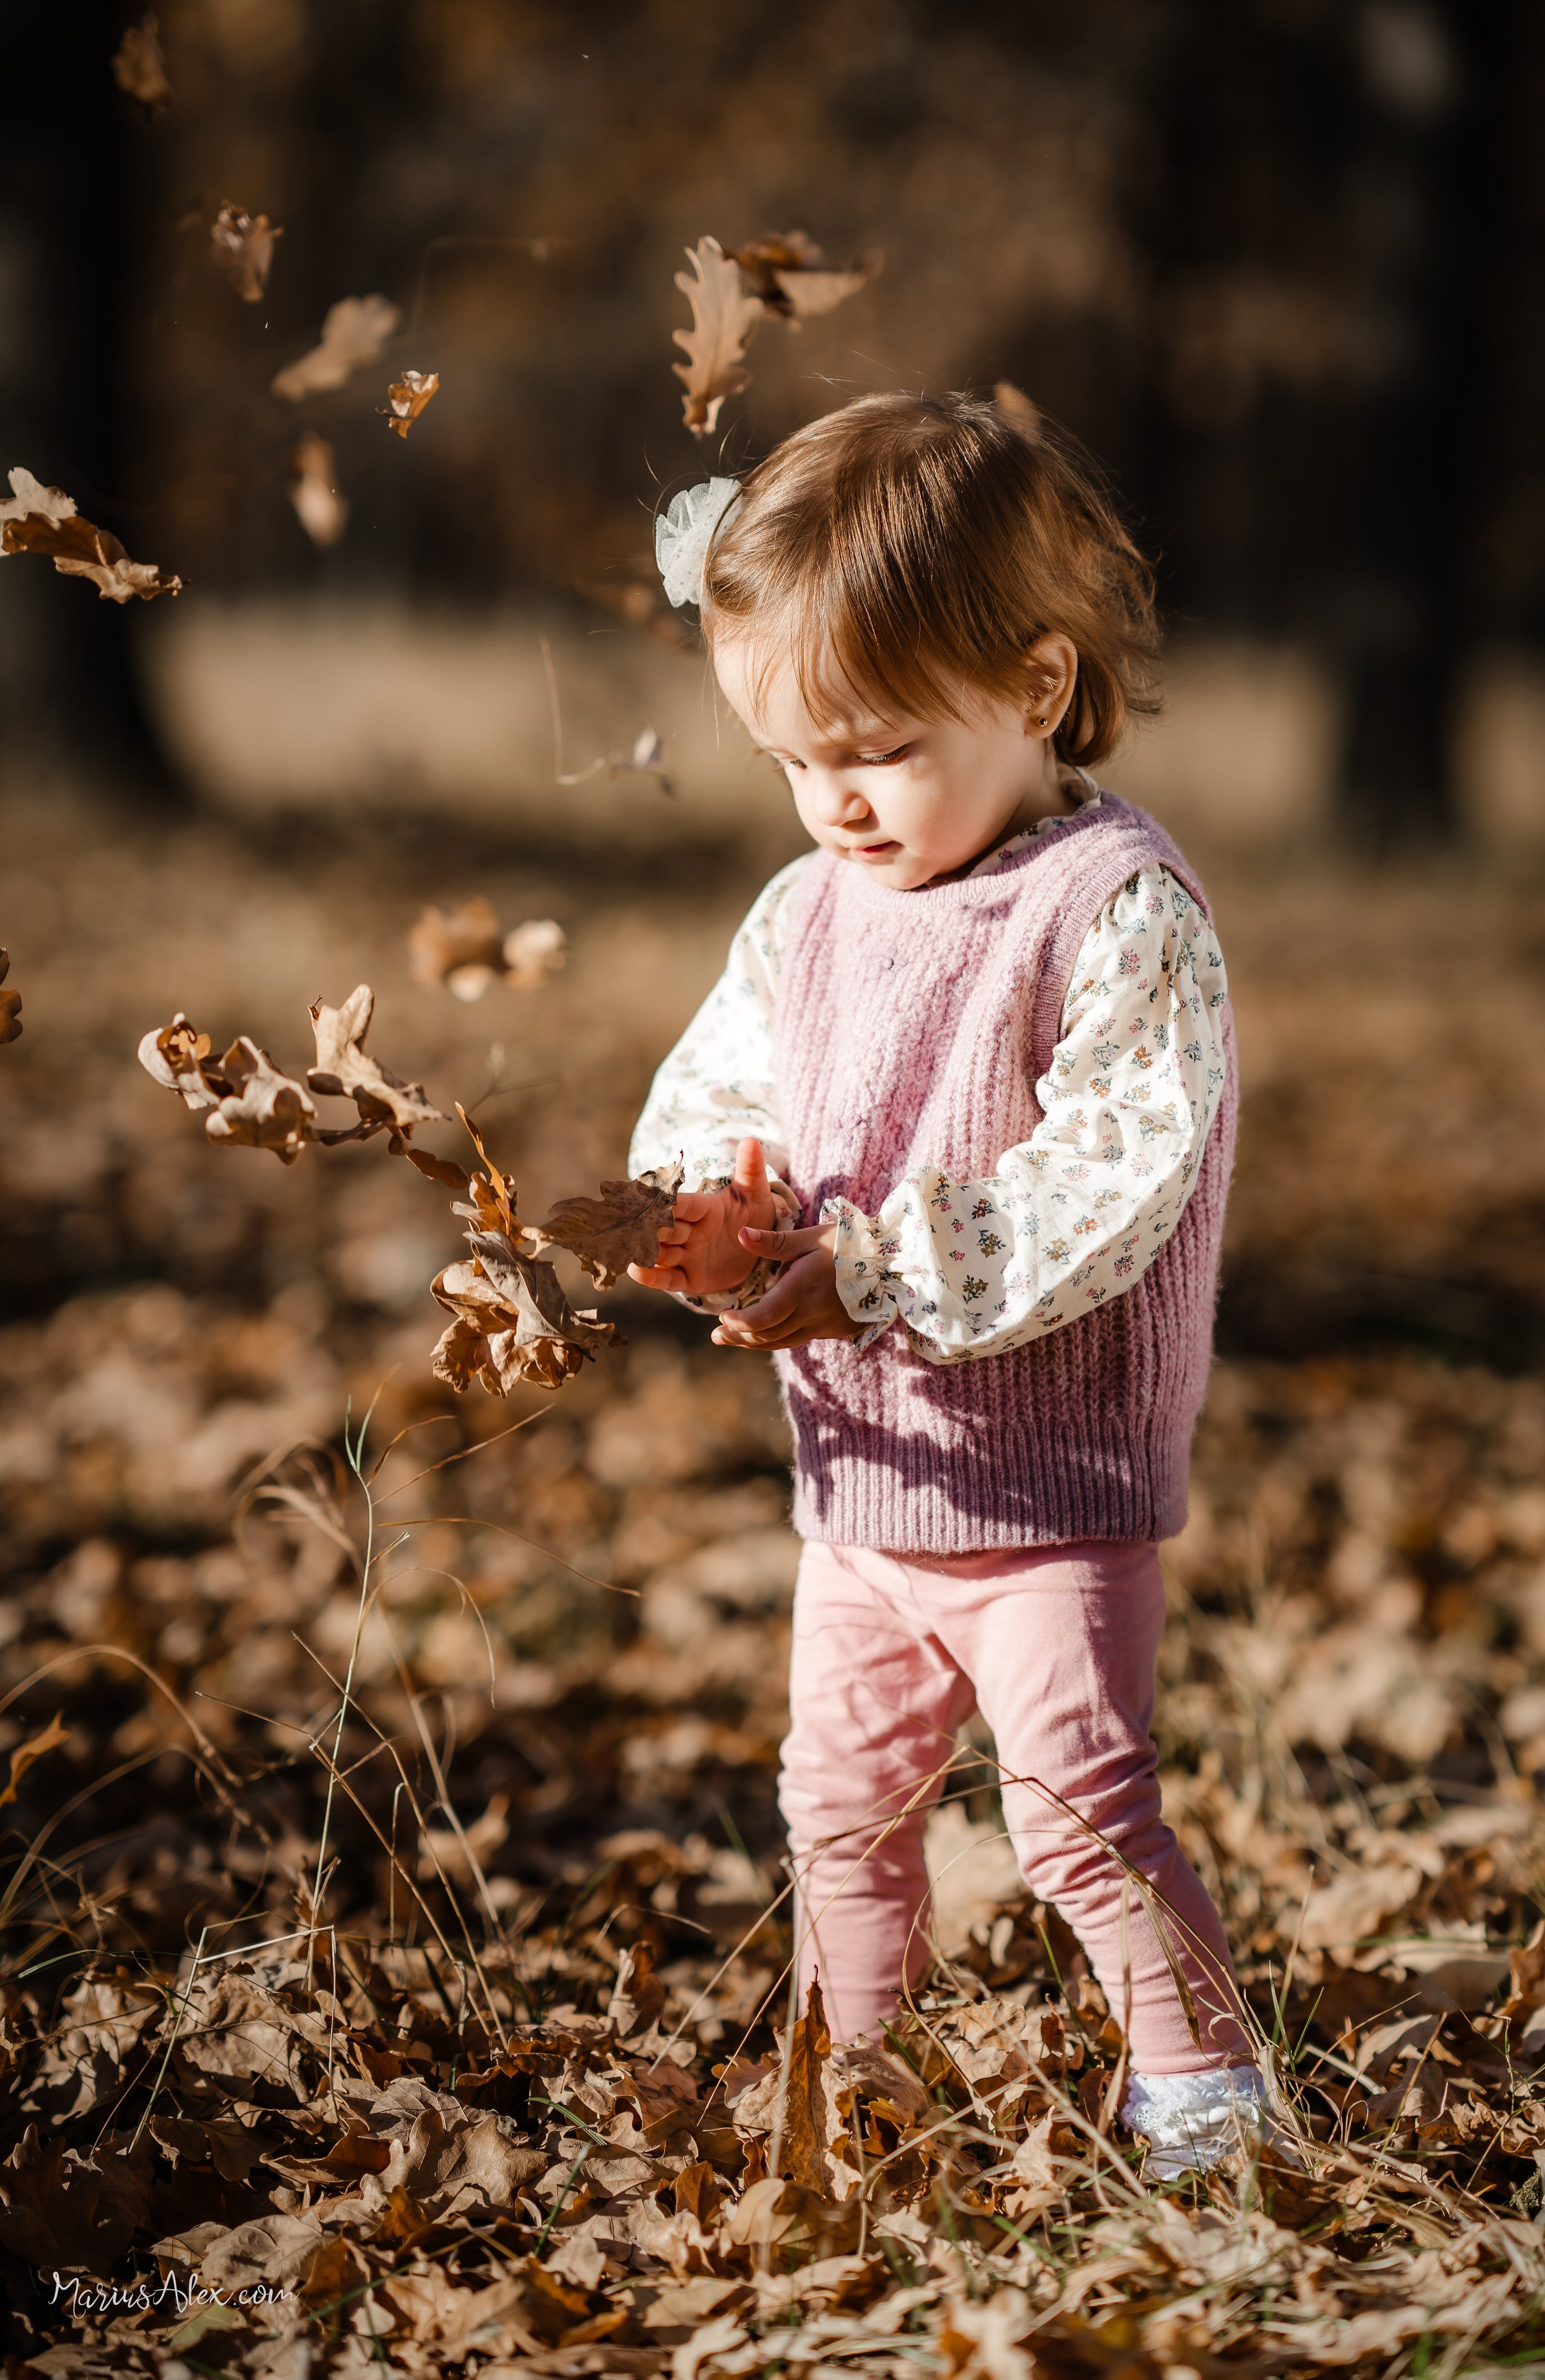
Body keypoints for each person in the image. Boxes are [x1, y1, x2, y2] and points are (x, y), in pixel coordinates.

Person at [627, 391, 1261, 2177]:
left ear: (1040, 687)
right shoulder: (807, 908)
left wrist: (877, 1270)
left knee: (1075, 1806)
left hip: (1049, 1489)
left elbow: (1105, 1185)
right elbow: (726, 1081)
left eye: (879, 748)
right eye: (788, 762)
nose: (832, 799)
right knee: (837, 1798)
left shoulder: (1114, 909)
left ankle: (1202, 2089)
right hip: (866, 1485)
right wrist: (716, 1205)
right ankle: (866, 2068)